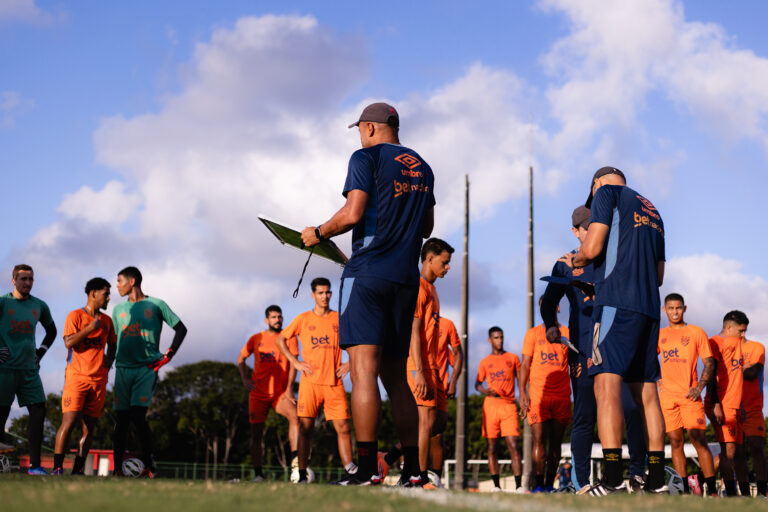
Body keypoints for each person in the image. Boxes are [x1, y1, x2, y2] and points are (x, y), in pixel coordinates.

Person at [300, 102, 435, 485]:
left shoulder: (365, 157)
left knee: (363, 373)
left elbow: (353, 212)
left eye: (360, 128)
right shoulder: (423, 167)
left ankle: (363, 470)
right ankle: (412, 470)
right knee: (396, 378)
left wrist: (318, 233)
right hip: (406, 278)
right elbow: (426, 225)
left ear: (371, 128)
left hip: (368, 273)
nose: (360, 134)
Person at [568, 167, 667, 495]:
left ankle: (611, 480)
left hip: (615, 304)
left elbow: (593, 248)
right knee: (647, 396)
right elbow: (659, 274)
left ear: (596, 184)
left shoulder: (605, 195)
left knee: (605, 387)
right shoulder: (653, 209)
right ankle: (655, 482)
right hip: (649, 308)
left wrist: (578, 260)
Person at [540, 206, 646, 492]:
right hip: (583, 350)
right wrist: (551, 325)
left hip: (618, 348)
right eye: (588, 227)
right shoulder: (565, 263)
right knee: (585, 415)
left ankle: (637, 475)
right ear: (576, 231)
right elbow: (548, 300)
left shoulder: (616, 257)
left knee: (631, 409)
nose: (594, 230)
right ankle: (581, 483)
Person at [274, 278, 355, 484]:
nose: (325, 297)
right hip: (310, 383)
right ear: (313, 295)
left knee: (344, 427)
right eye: (320, 293)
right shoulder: (302, 319)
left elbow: (357, 340)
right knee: (306, 430)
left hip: (334, 383)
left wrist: (349, 363)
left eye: (327, 293)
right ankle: (301, 474)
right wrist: (296, 362)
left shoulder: (339, 318)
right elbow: (280, 339)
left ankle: (350, 472)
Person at [112, 266, 187, 477]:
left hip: (146, 368)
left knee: (137, 415)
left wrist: (169, 355)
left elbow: (181, 329)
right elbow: (115, 341)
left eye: (119, 281)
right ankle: (117, 468)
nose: (116, 286)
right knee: (122, 420)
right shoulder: (118, 310)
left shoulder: (157, 304)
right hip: (123, 369)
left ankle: (149, 465)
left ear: (132, 281)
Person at [53, 278, 117, 476]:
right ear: (93, 294)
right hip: (76, 378)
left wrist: (110, 359)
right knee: (69, 421)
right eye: (105, 293)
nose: (108, 298)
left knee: (89, 427)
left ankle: (78, 470)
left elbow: (113, 343)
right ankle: (57, 468)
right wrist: (90, 328)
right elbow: (68, 342)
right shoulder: (75, 316)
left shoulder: (107, 321)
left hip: (98, 381)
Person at [657, 293, 717, 495]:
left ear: (685, 308)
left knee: (699, 441)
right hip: (667, 397)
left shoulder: (696, 332)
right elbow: (646, 358)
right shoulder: (660, 334)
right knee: (675, 442)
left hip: (690, 397)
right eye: (671, 308)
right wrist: (656, 379)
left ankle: (713, 490)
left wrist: (699, 387)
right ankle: (682, 490)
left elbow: (709, 362)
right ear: (664, 310)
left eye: (679, 308)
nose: (675, 312)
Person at [0, 264, 57, 475]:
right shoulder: (3, 302)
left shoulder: (39, 306)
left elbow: (51, 331)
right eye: (23, 279)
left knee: (39, 409)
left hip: (29, 370)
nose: (27, 283)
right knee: (2, 414)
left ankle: (35, 466)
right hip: (4, 369)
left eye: (31, 279)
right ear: (13, 280)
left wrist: (40, 353)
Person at [238, 305, 299, 482]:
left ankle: (295, 465)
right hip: (258, 394)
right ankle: (258, 474)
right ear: (267, 320)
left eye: (279, 317)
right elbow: (241, 359)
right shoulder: (256, 339)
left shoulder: (289, 337)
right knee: (256, 434)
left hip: (280, 393)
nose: (277, 320)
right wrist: (245, 379)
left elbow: (294, 363)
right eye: (273, 317)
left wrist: (289, 389)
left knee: (295, 417)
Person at [519, 305, 570, 492]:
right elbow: (524, 365)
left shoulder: (567, 333)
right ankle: (538, 485)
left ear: (557, 308)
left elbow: (574, 364)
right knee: (539, 440)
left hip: (562, 395)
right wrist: (522, 392)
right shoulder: (532, 334)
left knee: (556, 443)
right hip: (538, 395)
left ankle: (549, 485)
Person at [706, 311, 750, 497]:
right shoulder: (715, 342)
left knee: (738, 452)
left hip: (735, 405)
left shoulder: (738, 344)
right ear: (729, 327)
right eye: (740, 331)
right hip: (721, 405)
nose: (743, 335)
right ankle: (730, 495)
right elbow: (709, 374)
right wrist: (716, 403)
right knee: (729, 452)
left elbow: (736, 377)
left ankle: (744, 494)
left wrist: (741, 404)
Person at [475, 327, 522, 492]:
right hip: (491, 405)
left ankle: (519, 486)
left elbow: (522, 379)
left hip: (508, 405)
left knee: (513, 445)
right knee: (492, 447)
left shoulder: (513, 358)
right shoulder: (485, 362)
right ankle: (496, 485)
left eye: (501, 337)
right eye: (496, 338)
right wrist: (484, 390)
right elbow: (477, 384)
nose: (499, 340)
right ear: (490, 340)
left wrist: (523, 397)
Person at [430, 316, 463, 486]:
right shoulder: (414, 321)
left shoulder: (447, 324)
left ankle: (435, 478)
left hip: (440, 387)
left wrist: (453, 382)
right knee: (414, 429)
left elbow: (457, 355)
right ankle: (409, 473)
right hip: (418, 381)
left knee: (437, 433)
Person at [741, 328, 766, 497]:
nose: (741, 334)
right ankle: (742, 493)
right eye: (738, 330)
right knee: (736, 452)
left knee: (757, 448)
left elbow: (751, 373)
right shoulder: (723, 349)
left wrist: (734, 369)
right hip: (732, 407)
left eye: (744, 330)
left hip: (753, 408)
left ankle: (763, 492)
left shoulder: (757, 347)